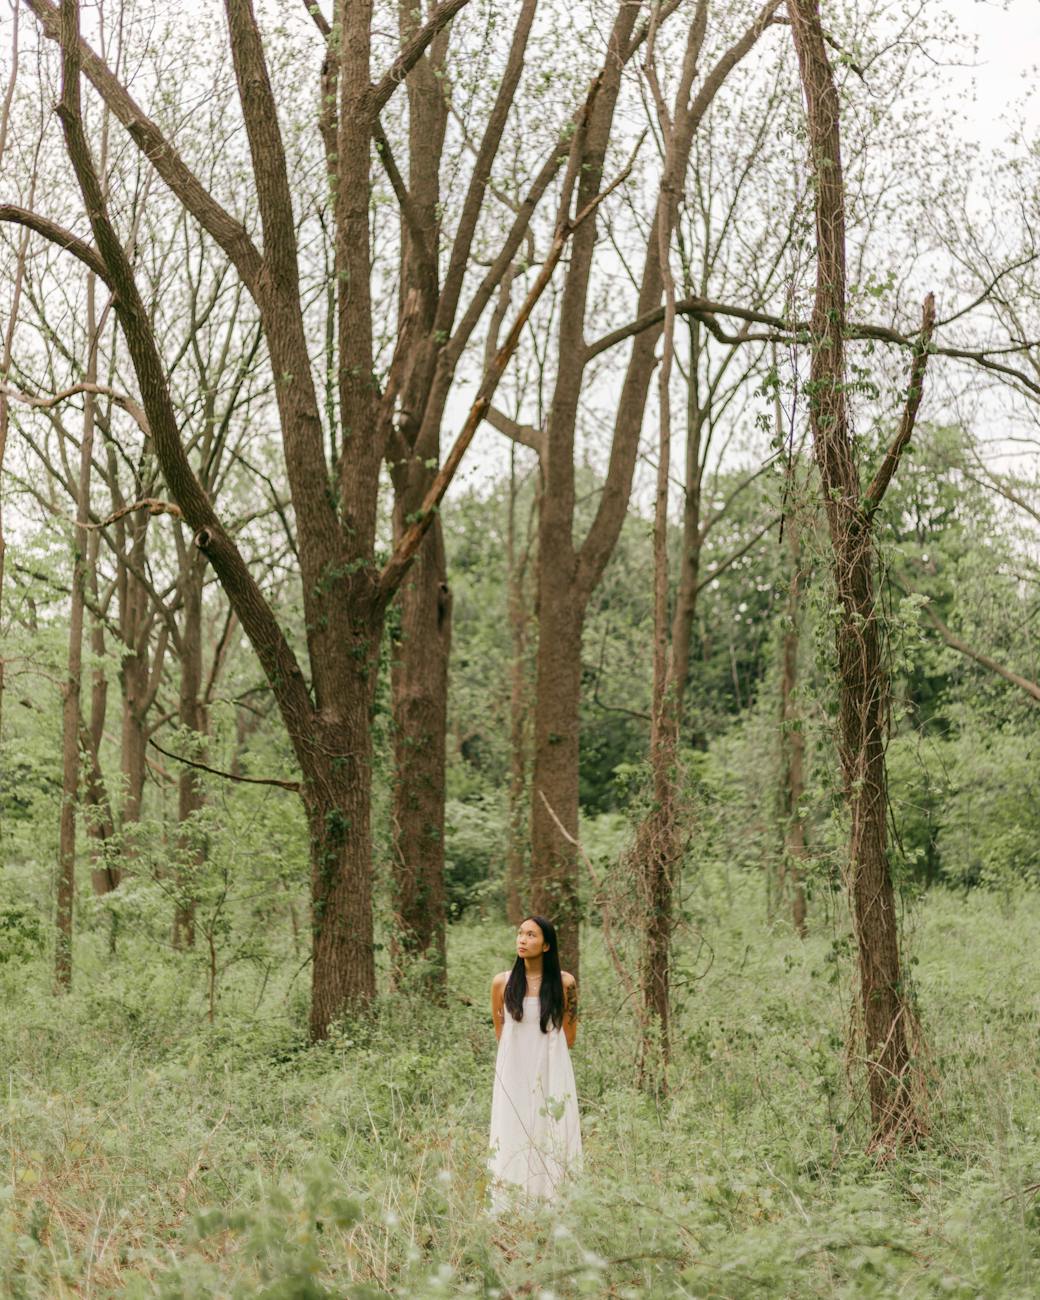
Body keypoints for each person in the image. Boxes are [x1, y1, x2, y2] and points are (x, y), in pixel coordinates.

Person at [487, 915, 582, 1209]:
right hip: (514, 1067)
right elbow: (500, 1030)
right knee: (512, 1125)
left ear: (546, 946)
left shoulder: (565, 983)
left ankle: (552, 1199)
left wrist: (546, 1055)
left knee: (550, 1125)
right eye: (520, 933)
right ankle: (511, 1201)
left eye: (531, 935)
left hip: (551, 1065)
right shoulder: (502, 983)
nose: (522, 940)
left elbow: (569, 1034)